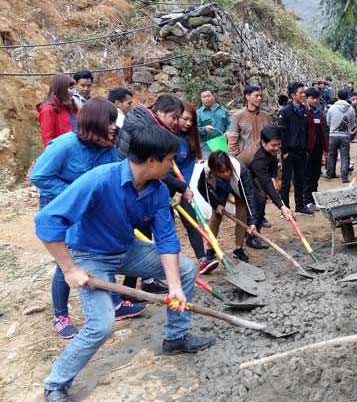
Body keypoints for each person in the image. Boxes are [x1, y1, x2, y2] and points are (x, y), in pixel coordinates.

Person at [37, 124, 215, 402]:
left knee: (184, 268)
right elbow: (46, 222)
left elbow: (167, 240)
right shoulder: (98, 181)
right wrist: (69, 269)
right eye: (170, 159)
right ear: (151, 161)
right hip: (89, 255)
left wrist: (175, 287)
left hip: (125, 249)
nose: (173, 166)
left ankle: (175, 337)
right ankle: (55, 385)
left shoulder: (157, 189)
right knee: (102, 324)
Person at [30, 98, 146, 339]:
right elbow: (39, 176)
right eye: (110, 122)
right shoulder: (64, 145)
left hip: (91, 210)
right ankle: (60, 316)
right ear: (94, 122)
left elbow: (112, 176)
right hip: (62, 207)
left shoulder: (108, 147)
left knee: (102, 250)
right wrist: (76, 194)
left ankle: (115, 302)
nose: (114, 127)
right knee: (69, 260)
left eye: (115, 122)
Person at [118, 94, 190, 294]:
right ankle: (128, 293)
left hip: (142, 185)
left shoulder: (145, 121)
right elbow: (153, 167)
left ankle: (141, 284)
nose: (176, 122)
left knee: (146, 234)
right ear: (159, 112)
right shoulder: (143, 129)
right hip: (133, 186)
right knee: (139, 237)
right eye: (173, 117)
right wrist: (182, 187)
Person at [173, 100, 217, 274]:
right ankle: (165, 268)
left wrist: (181, 189)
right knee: (166, 228)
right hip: (162, 187)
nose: (188, 123)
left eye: (191, 120)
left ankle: (203, 260)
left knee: (192, 222)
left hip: (181, 187)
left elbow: (188, 169)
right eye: (185, 119)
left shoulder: (190, 139)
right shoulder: (168, 137)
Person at [197, 151, 259, 259]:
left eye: (227, 170)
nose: (226, 173)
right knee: (216, 218)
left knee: (242, 216)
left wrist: (253, 222)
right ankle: (211, 248)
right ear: (214, 171)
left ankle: (238, 248)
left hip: (238, 188)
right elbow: (201, 188)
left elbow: (249, 195)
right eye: (221, 172)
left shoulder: (241, 171)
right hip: (220, 188)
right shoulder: (207, 170)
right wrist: (216, 205)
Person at [249, 126, 293, 238]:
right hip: (245, 179)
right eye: (273, 145)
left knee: (261, 200)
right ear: (263, 143)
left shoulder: (270, 152)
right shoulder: (259, 158)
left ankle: (254, 232)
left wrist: (273, 177)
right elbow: (266, 184)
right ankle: (251, 236)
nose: (277, 148)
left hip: (257, 177)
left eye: (279, 144)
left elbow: (273, 164)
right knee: (258, 202)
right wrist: (281, 206)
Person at [277, 82, 312, 216]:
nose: (303, 95)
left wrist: (307, 148)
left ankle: (300, 206)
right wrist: (284, 151)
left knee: (300, 180)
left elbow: (307, 130)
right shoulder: (285, 112)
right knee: (286, 182)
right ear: (293, 95)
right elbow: (282, 133)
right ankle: (285, 208)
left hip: (302, 151)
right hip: (289, 152)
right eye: (301, 93)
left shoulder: (304, 110)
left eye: (304, 92)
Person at [228, 86, 272, 166]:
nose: (259, 98)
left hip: (264, 161)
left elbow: (271, 138)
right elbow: (232, 141)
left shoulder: (266, 116)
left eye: (261, 96)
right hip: (244, 162)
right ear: (247, 96)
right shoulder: (238, 116)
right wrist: (237, 158)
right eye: (256, 96)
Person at [303, 87, 329, 211]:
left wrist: (326, 148)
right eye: (312, 98)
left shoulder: (319, 112)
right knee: (307, 175)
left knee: (316, 174)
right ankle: (307, 201)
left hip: (318, 149)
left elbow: (323, 131)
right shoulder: (304, 112)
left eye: (316, 98)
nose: (314, 101)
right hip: (308, 149)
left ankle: (313, 197)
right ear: (307, 98)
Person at [36, 73, 78, 146]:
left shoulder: (71, 106)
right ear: (61, 89)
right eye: (70, 88)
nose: (73, 92)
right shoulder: (48, 110)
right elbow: (48, 139)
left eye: (74, 88)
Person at [325, 89, 356, 184]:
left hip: (333, 135)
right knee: (345, 156)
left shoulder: (332, 108)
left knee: (332, 154)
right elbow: (352, 123)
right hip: (345, 136)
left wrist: (333, 127)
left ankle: (330, 173)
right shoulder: (350, 109)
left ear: (338, 96)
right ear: (347, 97)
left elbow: (328, 121)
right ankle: (344, 177)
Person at [197, 88, 230, 158]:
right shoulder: (198, 114)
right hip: (206, 147)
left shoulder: (223, 110)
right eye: (204, 97)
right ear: (201, 99)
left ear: (213, 96)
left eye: (208, 96)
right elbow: (194, 130)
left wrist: (228, 131)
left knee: (224, 164)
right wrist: (204, 129)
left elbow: (230, 123)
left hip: (222, 144)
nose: (207, 99)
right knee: (208, 166)